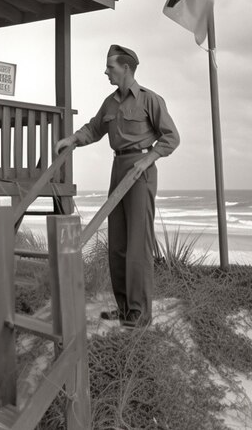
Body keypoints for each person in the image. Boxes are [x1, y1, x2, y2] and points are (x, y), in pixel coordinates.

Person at [55, 45, 180, 327]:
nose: (106, 72)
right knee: (118, 244)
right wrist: (72, 140)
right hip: (118, 167)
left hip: (140, 170)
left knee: (138, 243)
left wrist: (149, 158)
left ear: (126, 68)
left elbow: (171, 137)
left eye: (110, 67)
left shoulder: (150, 100)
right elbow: (94, 128)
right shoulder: (110, 102)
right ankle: (124, 309)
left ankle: (140, 313)